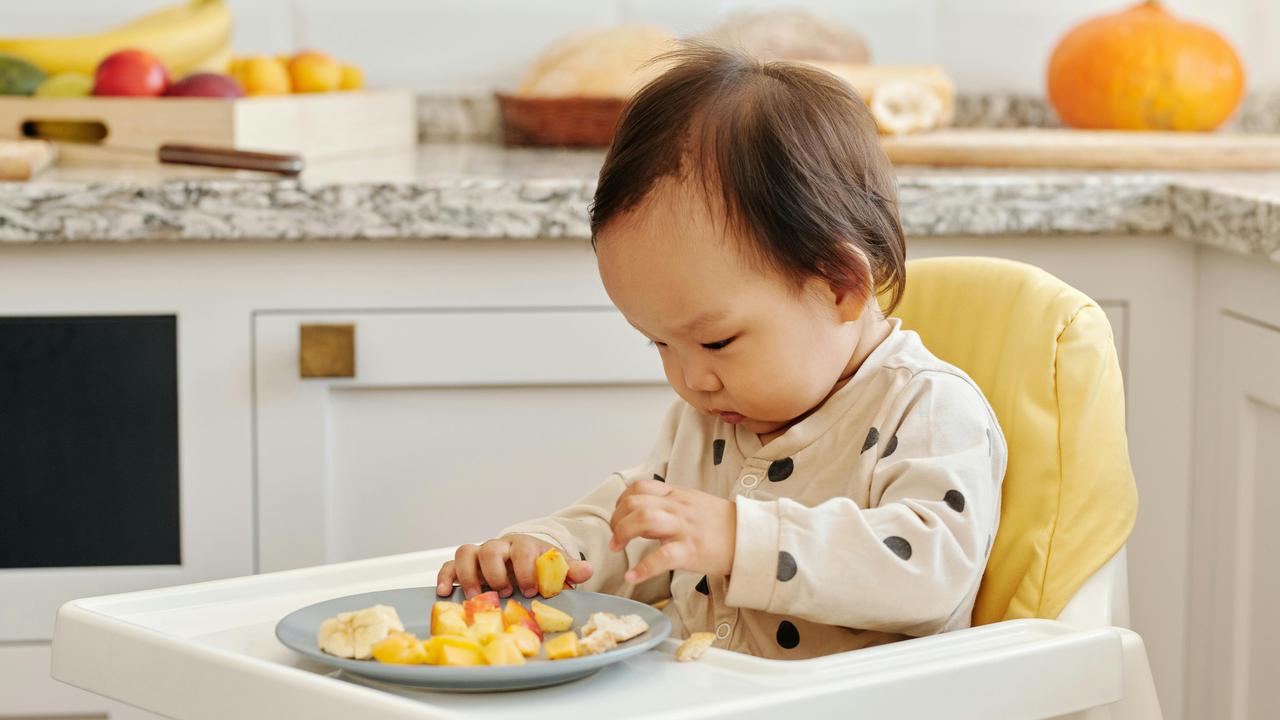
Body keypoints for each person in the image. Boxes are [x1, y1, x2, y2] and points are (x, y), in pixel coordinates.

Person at [437, 44, 1007, 659]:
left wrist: (742, 538)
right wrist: (542, 552)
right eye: (659, 342)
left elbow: (929, 571)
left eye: (716, 341)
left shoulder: (925, 406)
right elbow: (636, 526)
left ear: (840, 286)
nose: (689, 379)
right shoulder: (712, 413)